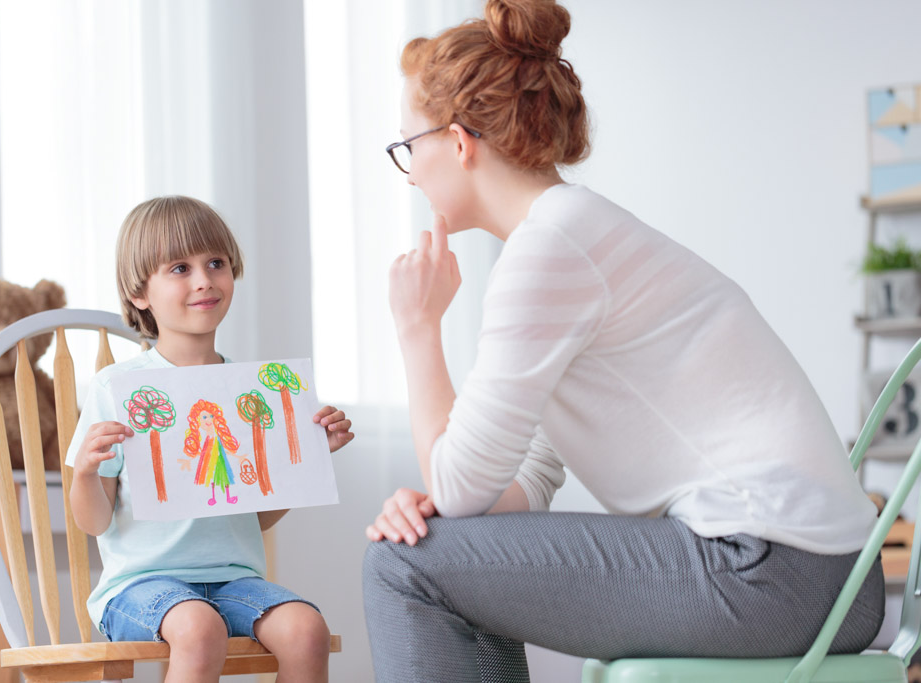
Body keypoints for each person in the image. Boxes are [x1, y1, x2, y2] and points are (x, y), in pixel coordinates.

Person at [361, 1, 884, 680]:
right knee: (432, 548)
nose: (410, 169)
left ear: (458, 143)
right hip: (825, 577)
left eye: (409, 146)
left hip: (775, 570)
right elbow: (521, 482)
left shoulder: (549, 248)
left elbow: (462, 486)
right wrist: (435, 506)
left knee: (401, 563)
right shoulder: (571, 234)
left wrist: (416, 328)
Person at [66, 196, 354, 683]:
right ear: (140, 294)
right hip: (140, 586)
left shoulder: (245, 391)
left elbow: (256, 516)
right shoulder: (117, 387)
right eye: (180, 267)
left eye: (215, 263)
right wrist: (87, 471)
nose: (204, 279)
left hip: (233, 579)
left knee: (307, 631)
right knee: (200, 630)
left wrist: (305, 459)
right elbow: (94, 522)